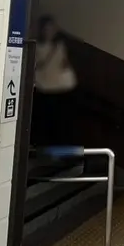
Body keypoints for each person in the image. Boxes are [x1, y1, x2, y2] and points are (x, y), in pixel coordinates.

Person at [32, 15, 79, 147]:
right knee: (46, 122)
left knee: (61, 123)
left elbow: (64, 63)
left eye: (52, 28)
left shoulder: (60, 45)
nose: (50, 31)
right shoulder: (37, 47)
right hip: (45, 88)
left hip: (62, 88)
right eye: (48, 28)